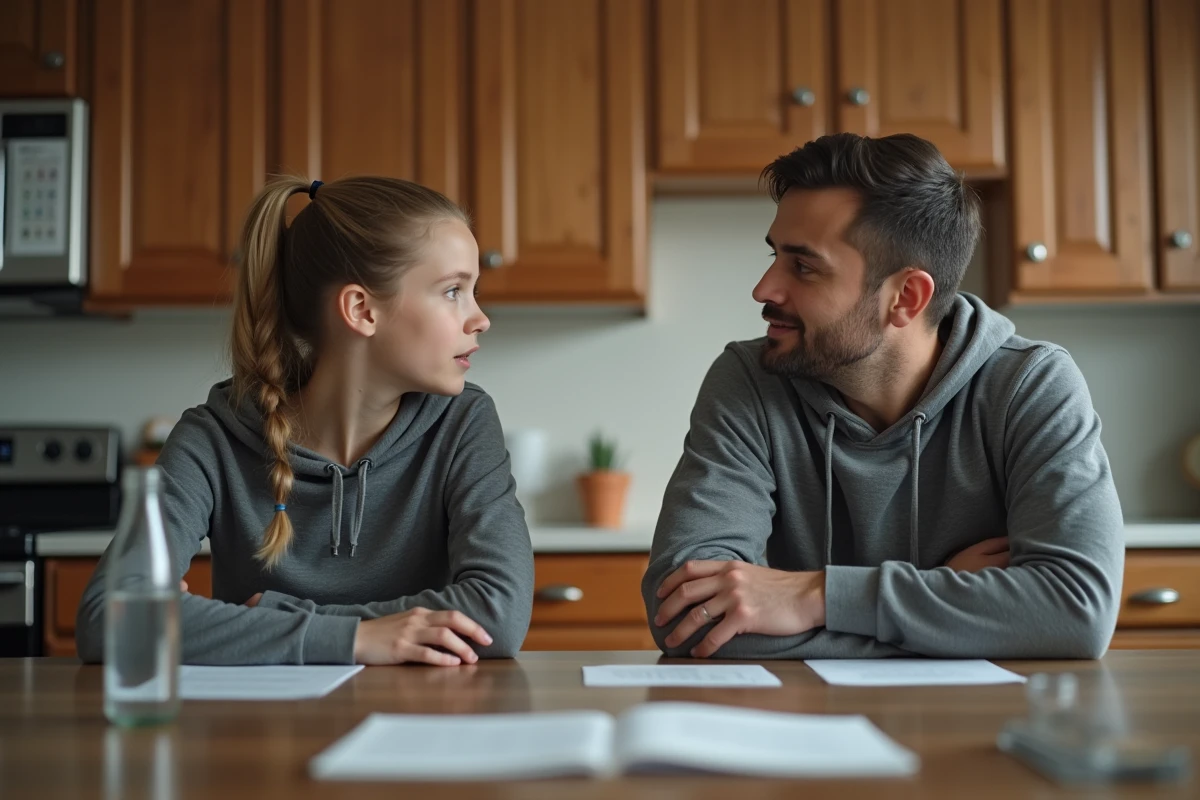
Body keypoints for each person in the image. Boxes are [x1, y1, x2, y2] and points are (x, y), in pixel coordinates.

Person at [642, 133, 1124, 660]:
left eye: (802, 266)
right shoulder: (750, 382)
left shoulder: (1030, 385)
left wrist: (814, 596)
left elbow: (1075, 612)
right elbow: (688, 618)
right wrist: (942, 597)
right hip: (800, 727)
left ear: (905, 297)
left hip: (980, 730)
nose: (764, 289)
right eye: (774, 256)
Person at [77, 176, 534, 666]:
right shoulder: (211, 441)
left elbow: (498, 616)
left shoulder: (462, 422)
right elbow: (111, 618)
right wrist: (356, 640)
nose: (480, 318)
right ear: (361, 309)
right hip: (262, 735)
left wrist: (281, 619)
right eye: (452, 292)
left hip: (421, 728)